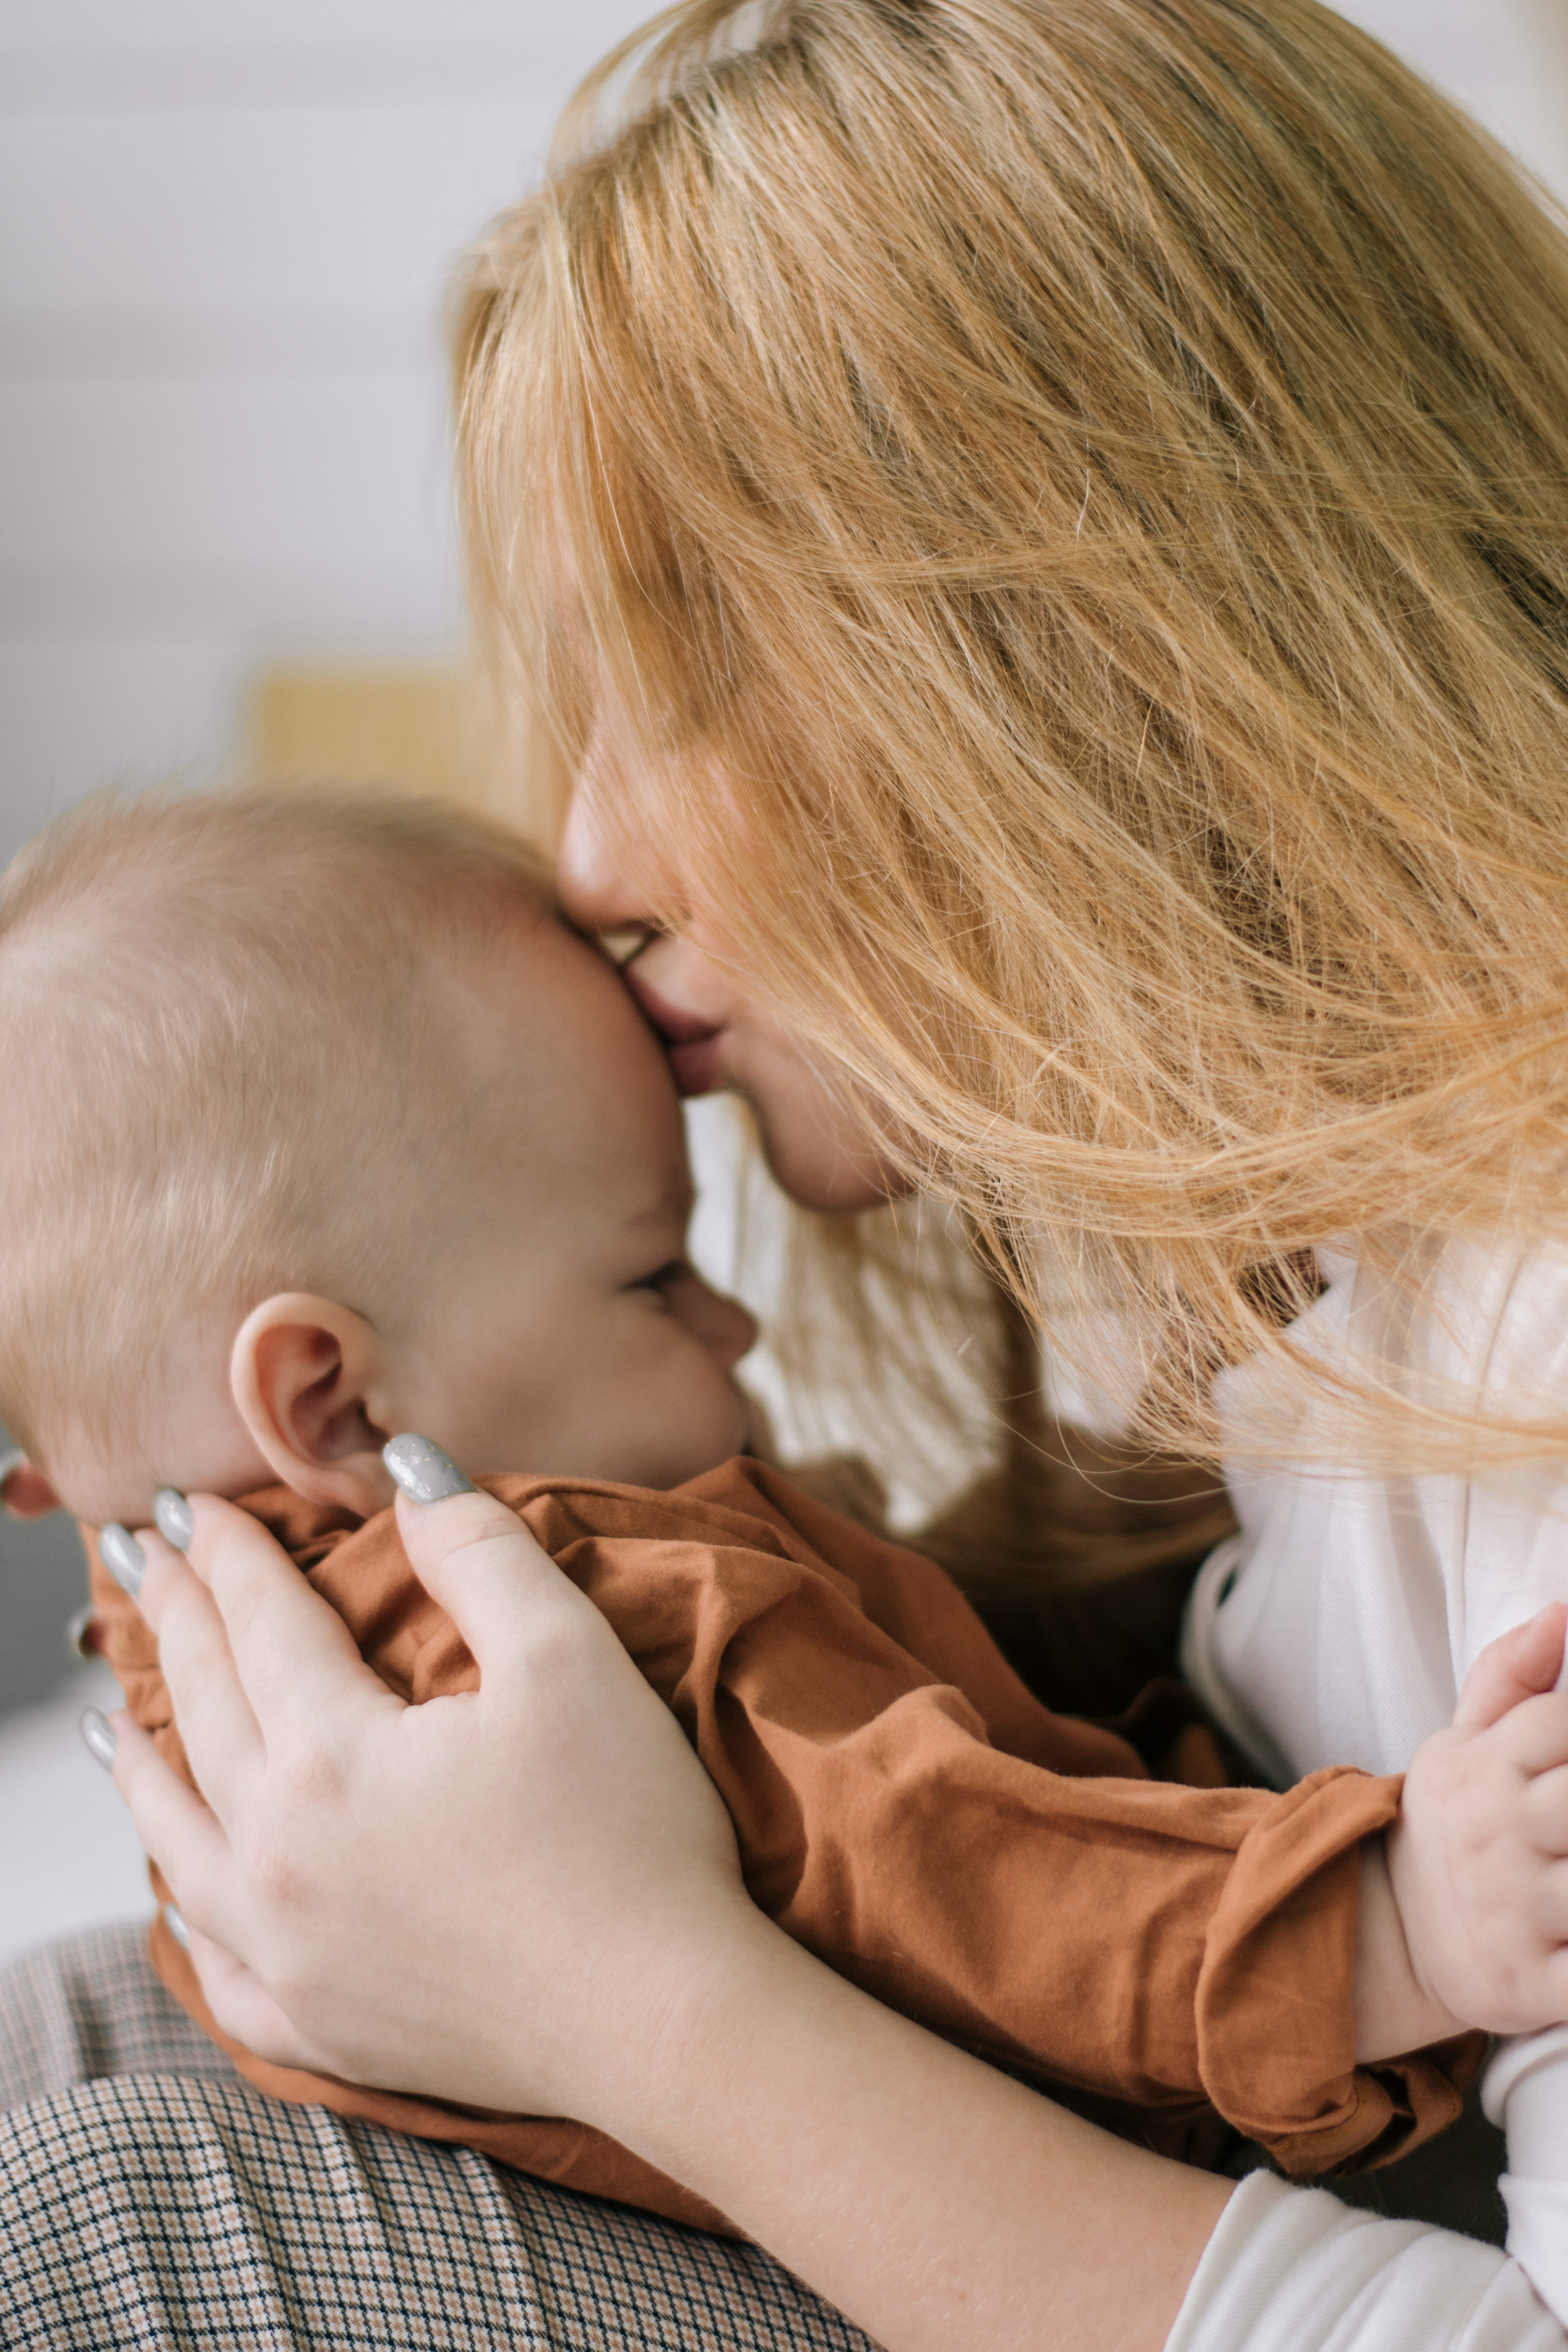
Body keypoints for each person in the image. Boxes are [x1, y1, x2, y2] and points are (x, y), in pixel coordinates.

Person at [6, 0, 1568, 2344]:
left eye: (691, 669)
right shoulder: (1268, 1294)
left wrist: (616, 1996)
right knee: (64, 2032)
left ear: (1095, 648)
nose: (589, 852)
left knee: (97, 2214)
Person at [1, 778, 1479, 2217]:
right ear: (331, 1398)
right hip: (976, 2204)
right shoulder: (607, 1622)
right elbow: (952, 1867)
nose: (735, 1328)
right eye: (652, 1276)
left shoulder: (193, 1585)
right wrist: (1385, 1929)